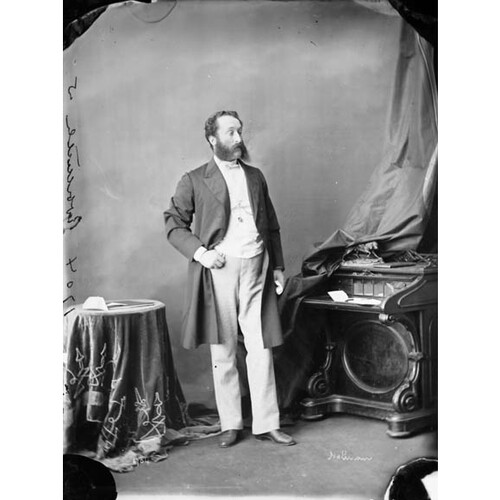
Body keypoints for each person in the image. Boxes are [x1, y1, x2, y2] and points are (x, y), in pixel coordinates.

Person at [164, 110, 295, 448]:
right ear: (213, 139)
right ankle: (231, 423)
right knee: (223, 349)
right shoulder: (194, 179)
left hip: (257, 266)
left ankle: (267, 423)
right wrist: (201, 253)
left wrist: (277, 266)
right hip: (219, 269)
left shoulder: (255, 176)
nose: (238, 139)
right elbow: (174, 224)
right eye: (230, 133)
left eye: (240, 131)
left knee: (260, 346)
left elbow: (272, 226)